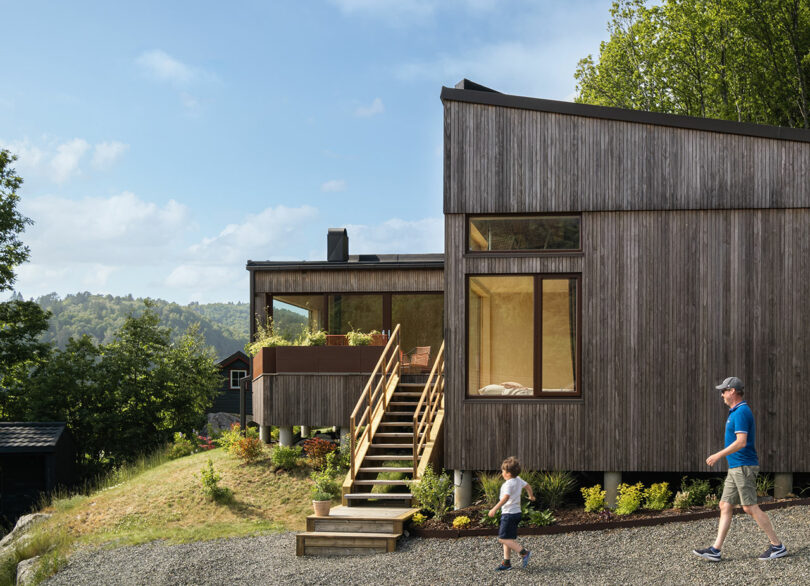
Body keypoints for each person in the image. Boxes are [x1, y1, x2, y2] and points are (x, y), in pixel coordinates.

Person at [692, 376, 787, 562]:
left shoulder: (742, 412)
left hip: (744, 467)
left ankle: (777, 546)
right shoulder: (735, 412)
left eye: (724, 391)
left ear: (732, 391)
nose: (722, 395)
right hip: (735, 467)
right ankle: (715, 550)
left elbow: (741, 442)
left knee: (749, 507)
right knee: (725, 505)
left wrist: (718, 455)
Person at [488, 456, 536, 571]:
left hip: (508, 515)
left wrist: (494, 508)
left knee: (502, 538)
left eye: (503, 471)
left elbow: (505, 498)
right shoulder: (518, 480)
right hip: (516, 513)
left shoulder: (508, 484)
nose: (502, 473)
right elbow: (528, 486)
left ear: (508, 473)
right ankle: (506, 563)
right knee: (508, 537)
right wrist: (531, 496)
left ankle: (524, 552)